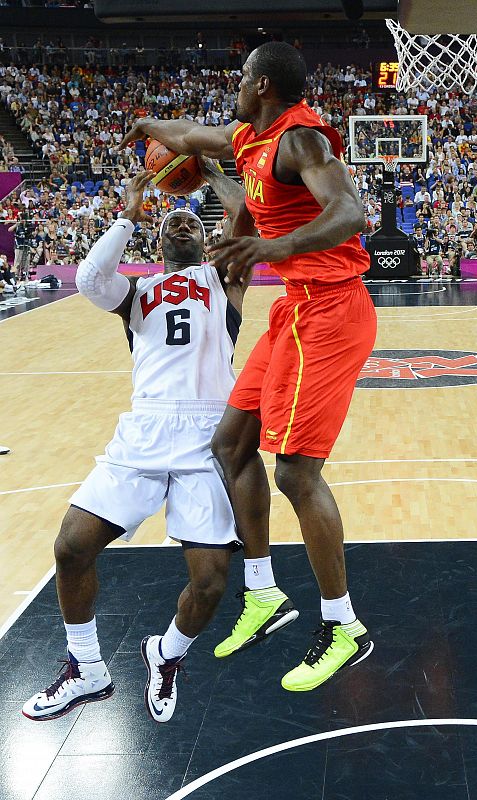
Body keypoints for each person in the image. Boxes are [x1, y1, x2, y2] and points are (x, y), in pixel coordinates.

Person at [119, 41, 376, 692]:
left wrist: (271, 243)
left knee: (293, 470)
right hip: (294, 306)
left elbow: (350, 212)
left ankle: (342, 623)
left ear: (262, 85)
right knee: (230, 443)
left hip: (332, 309)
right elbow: (188, 135)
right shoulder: (246, 137)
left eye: (240, 77)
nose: (234, 85)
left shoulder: (301, 141)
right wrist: (149, 125)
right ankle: (262, 592)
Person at [22, 161, 256, 724]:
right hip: (147, 428)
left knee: (210, 583)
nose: (181, 225)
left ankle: (166, 653)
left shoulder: (225, 280)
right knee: (70, 547)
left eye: (191, 223)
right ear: (156, 240)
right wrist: (129, 210)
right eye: (170, 222)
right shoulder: (136, 293)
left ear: (205, 238)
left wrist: (206, 170)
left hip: (208, 436)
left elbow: (247, 222)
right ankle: (88, 668)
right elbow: (87, 280)